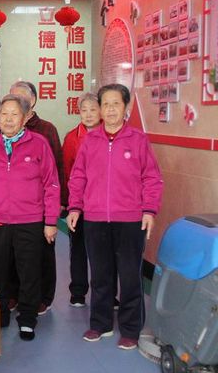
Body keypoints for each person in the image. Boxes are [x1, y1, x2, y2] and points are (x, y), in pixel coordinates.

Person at [67, 84, 163, 351]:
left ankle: (131, 329)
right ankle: (101, 324)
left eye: (115, 104)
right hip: (95, 218)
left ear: (126, 108)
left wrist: (149, 211)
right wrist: (75, 207)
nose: (110, 110)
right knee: (100, 275)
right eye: (105, 104)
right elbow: (78, 176)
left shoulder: (138, 140)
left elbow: (152, 178)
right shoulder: (90, 141)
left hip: (130, 219)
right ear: (100, 109)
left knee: (130, 276)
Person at [0, 94, 60, 341]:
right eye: (4, 114)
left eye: (14, 114)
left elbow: (51, 184)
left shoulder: (39, 144)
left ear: (25, 118)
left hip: (29, 221)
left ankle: (27, 319)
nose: (8, 119)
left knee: (28, 271)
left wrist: (51, 221)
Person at [9, 80, 63, 314]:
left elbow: (57, 168)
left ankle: (43, 296)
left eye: (21, 97)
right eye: (12, 97)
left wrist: (59, 203)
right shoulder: (4, 129)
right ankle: (14, 294)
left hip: (40, 205)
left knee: (42, 252)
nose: (17, 101)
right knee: (13, 253)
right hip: (12, 206)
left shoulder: (46, 129)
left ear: (33, 100)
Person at [62, 92, 101, 307]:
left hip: (102, 205)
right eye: (84, 110)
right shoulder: (72, 137)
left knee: (103, 252)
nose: (88, 114)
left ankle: (106, 292)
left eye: (93, 109)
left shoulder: (110, 135)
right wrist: (69, 203)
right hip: (78, 204)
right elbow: (67, 171)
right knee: (78, 249)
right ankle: (78, 291)